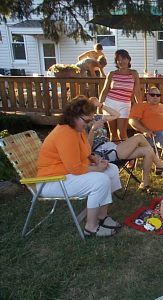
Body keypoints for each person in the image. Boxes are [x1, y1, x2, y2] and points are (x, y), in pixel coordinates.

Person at [36, 96, 122, 238]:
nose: (89, 124)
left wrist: (94, 159)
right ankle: (91, 227)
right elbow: (75, 168)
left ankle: (102, 217)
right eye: (87, 120)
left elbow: (86, 151)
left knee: (111, 170)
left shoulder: (77, 129)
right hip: (50, 181)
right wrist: (97, 168)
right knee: (100, 180)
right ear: (73, 116)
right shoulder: (65, 133)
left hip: (64, 174)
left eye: (90, 120)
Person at [82, 96, 163, 192]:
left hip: (113, 147)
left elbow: (116, 115)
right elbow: (88, 148)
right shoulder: (82, 125)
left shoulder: (97, 118)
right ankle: (159, 165)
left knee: (148, 150)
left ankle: (145, 184)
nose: (91, 111)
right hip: (104, 153)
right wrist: (93, 130)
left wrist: (100, 105)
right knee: (139, 137)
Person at [99, 49, 141, 141]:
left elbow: (137, 91)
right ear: (116, 62)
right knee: (112, 133)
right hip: (110, 104)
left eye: (124, 58)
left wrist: (140, 107)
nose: (121, 61)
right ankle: (114, 154)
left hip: (125, 105)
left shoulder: (134, 73)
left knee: (122, 133)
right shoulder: (112, 74)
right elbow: (105, 90)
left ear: (128, 60)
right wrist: (99, 105)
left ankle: (125, 153)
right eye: (119, 59)